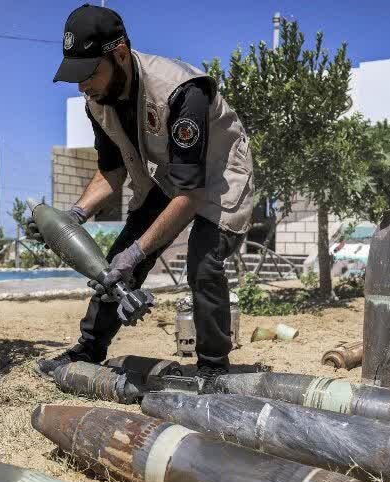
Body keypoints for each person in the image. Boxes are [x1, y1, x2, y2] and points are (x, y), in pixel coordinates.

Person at [33, 4, 253, 387]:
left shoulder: (182, 91)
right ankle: (87, 351)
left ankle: (213, 369)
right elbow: (112, 171)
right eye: (76, 76)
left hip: (220, 175)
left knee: (203, 261)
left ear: (119, 54)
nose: (82, 86)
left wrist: (138, 253)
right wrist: (74, 216)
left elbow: (192, 194)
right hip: (171, 173)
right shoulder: (98, 101)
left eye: (89, 73)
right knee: (116, 264)